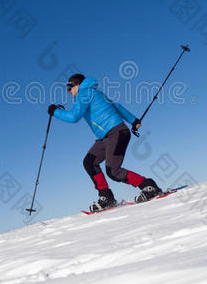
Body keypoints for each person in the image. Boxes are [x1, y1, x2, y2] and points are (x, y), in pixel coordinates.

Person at [48, 73, 163, 211]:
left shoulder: (84, 94)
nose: (69, 92)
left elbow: (73, 117)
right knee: (90, 162)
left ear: (77, 85)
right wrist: (133, 120)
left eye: (69, 88)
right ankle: (106, 197)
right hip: (107, 136)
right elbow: (117, 107)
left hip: (116, 132)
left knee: (113, 171)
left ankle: (148, 186)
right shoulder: (95, 93)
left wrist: (55, 112)